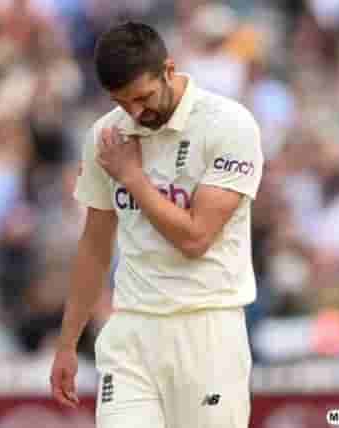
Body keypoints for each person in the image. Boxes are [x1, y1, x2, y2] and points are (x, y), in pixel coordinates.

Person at [50, 21, 264, 428]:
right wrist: (67, 344)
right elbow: (95, 245)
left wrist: (132, 177)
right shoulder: (107, 136)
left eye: (143, 97)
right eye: (121, 102)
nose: (135, 113)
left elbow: (196, 237)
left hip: (207, 328)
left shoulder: (228, 125)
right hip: (131, 328)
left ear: (168, 69)